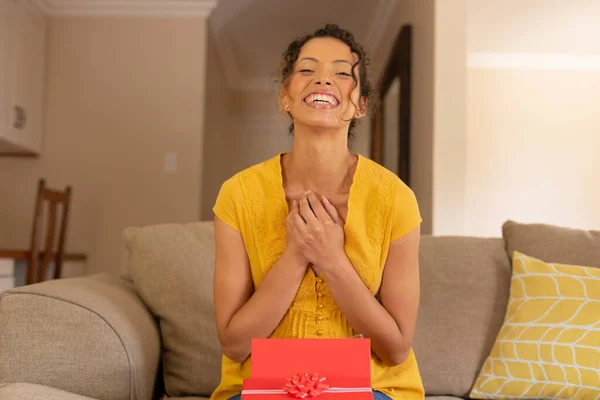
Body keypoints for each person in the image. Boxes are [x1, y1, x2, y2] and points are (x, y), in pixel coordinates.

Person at [210, 24, 424, 400]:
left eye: (342, 73)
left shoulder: (396, 199)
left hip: (372, 389)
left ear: (360, 105)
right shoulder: (237, 195)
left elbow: (395, 350)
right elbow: (234, 344)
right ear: (285, 98)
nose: (323, 80)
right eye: (307, 70)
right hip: (264, 388)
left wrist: (331, 259)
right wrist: (296, 253)